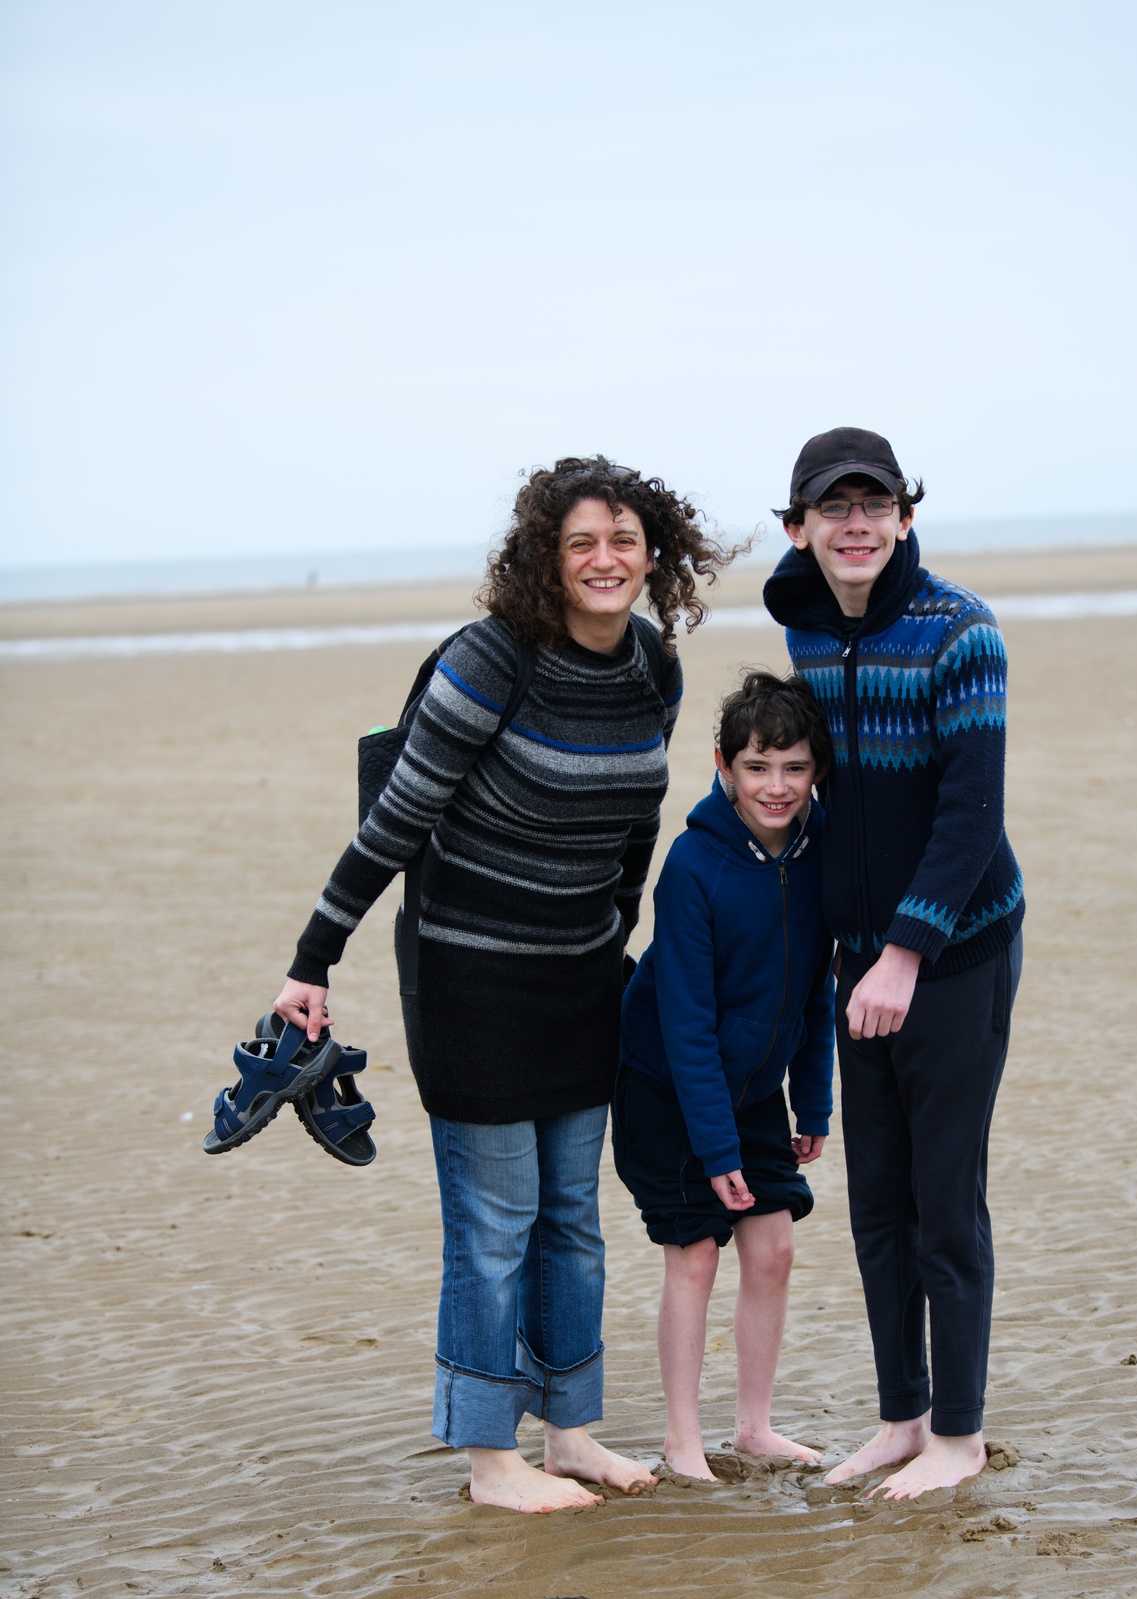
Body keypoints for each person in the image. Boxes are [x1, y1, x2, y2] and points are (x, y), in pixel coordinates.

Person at [273, 456, 738, 1513]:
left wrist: (616, 937)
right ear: (546, 558)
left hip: (581, 978)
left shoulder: (651, 668)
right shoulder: (490, 661)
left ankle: (568, 1431)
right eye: (581, 543)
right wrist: (313, 956)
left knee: (571, 1216)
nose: (604, 559)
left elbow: (634, 826)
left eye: (623, 540)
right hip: (471, 979)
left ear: (653, 554)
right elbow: (396, 819)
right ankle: (490, 1457)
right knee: (493, 1225)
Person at [763, 426, 1024, 1501]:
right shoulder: (806, 630)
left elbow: (969, 814)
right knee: (876, 1204)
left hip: (955, 952)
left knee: (943, 1200)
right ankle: (901, 1418)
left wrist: (906, 952)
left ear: (905, 517)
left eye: (874, 504)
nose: (855, 523)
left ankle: (959, 1434)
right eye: (833, 507)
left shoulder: (960, 631)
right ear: (799, 528)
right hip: (857, 961)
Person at [613, 671, 835, 1479]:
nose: (776, 786)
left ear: (816, 771)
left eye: (794, 768)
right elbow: (685, 1023)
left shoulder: (819, 855)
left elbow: (816, 989)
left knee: (772, 1249)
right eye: (756, 767)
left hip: (751, 1087)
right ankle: (681, 1440)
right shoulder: (693, 866)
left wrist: (812, 1102)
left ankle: (753, 1426)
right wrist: (715, 1151)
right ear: (723, 767)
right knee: (696, 1253)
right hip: (668, 1088)